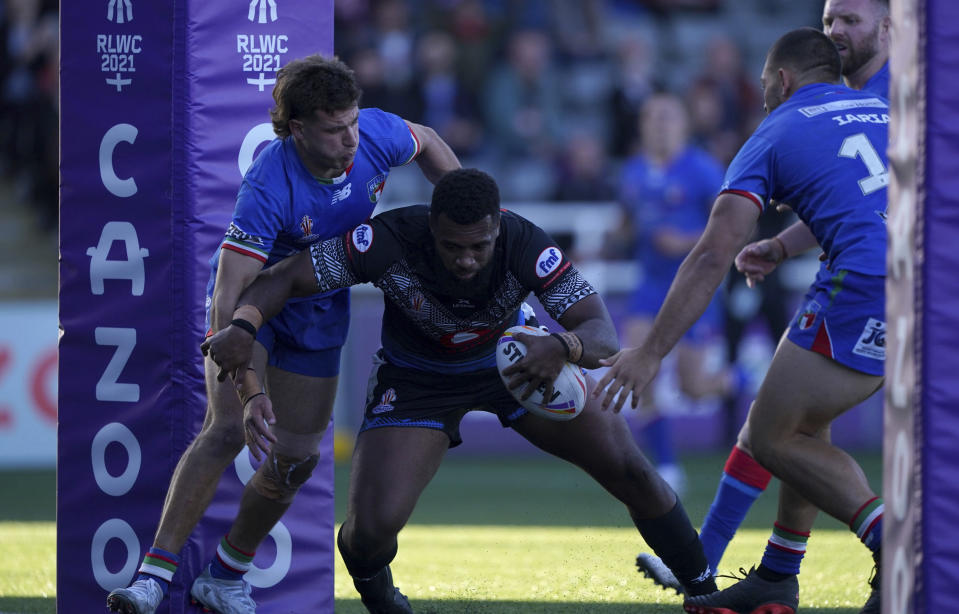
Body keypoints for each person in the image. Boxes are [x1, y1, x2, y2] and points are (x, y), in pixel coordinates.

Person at [202, 168, 720, 613]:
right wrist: (244, 325)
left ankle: (703, 590)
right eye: (453, 246)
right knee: (368, 535)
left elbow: (601, 332)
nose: (468, 259)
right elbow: (288, 277)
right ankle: (381, 597)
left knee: (630, 468)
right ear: (431, 227)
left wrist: (561, 347)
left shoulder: (524, 242)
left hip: (517, 366)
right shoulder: (388, 240)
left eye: (480, 246)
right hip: (416, 380)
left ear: (498, 227)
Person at [106, 54, 461, 614]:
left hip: (320, 308)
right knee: (225, 431)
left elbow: (431, 141)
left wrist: (459, 209)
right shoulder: (268, 183)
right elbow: (231, 294)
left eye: (353, 123)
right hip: (253, 309)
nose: (350, 139)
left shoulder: (375, 134)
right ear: (297, 128)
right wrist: (249, 392)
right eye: (333, 128)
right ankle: (154, 577)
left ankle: (226, 573)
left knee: (296, 458)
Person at [597, 27, 887, 614]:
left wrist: (651, 352)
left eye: (762, 85)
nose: (761, 97)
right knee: (803, 422)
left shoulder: (775, 130)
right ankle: (778, 576)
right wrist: (781, 246)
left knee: (774, 436)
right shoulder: (884, 109)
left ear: (781, 81)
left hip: (861, 284)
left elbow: (711, 253)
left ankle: (899, 546)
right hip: (925, 281)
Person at [612, 92, 742, 496]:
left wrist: (685, 242)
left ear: (684, 125)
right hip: (649, 288)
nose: (659, 124)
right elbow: (628, 222)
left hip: (693, 289)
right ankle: (667, 465)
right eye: (652, 117)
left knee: (693, 387)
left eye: (668, 117)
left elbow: (732, 227)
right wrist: (603, 243)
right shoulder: (632, 172)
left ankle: (746, 377)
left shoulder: (703, 170)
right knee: (637, 367)